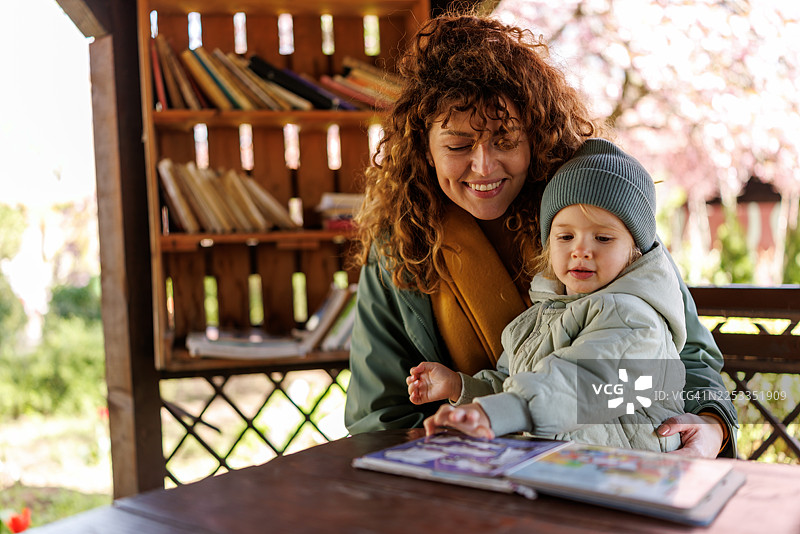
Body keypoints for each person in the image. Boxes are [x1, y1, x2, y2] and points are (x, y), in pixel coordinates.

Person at [344, 13, 737, 458]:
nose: (484, 166)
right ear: (424, 149)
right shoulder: (401, 244)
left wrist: (709, 426)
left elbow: (682, 357)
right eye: (457, 146)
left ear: (535, 136)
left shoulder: (591, 213)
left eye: (505, 140)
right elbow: (379, 413)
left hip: (605, 462)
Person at [410, 138, 686, 451]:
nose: (581, 250)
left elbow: (580, 385)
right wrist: (461, 386)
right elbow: (515, 383)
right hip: (569, 468)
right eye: (566, 236)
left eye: (603, 238)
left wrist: (491, 414)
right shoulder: (538, 317)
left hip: (631, 477)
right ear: (549, 244)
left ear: (635, 252)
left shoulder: (634, 320)